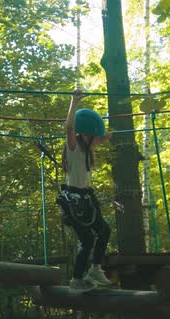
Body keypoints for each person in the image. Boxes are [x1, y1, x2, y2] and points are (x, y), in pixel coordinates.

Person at [56, 89, 113, 294]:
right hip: (73, 200)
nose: (97, 139)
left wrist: (105, 126)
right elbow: (69, 126)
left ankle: (95, 270)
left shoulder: (89, 149)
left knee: (104, 231)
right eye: (93, 135)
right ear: (85, 134)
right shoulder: (73, 148)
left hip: (87, 198)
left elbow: (105, 136)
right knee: (88, 241)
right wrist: (74, 101)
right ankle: (76, 279)